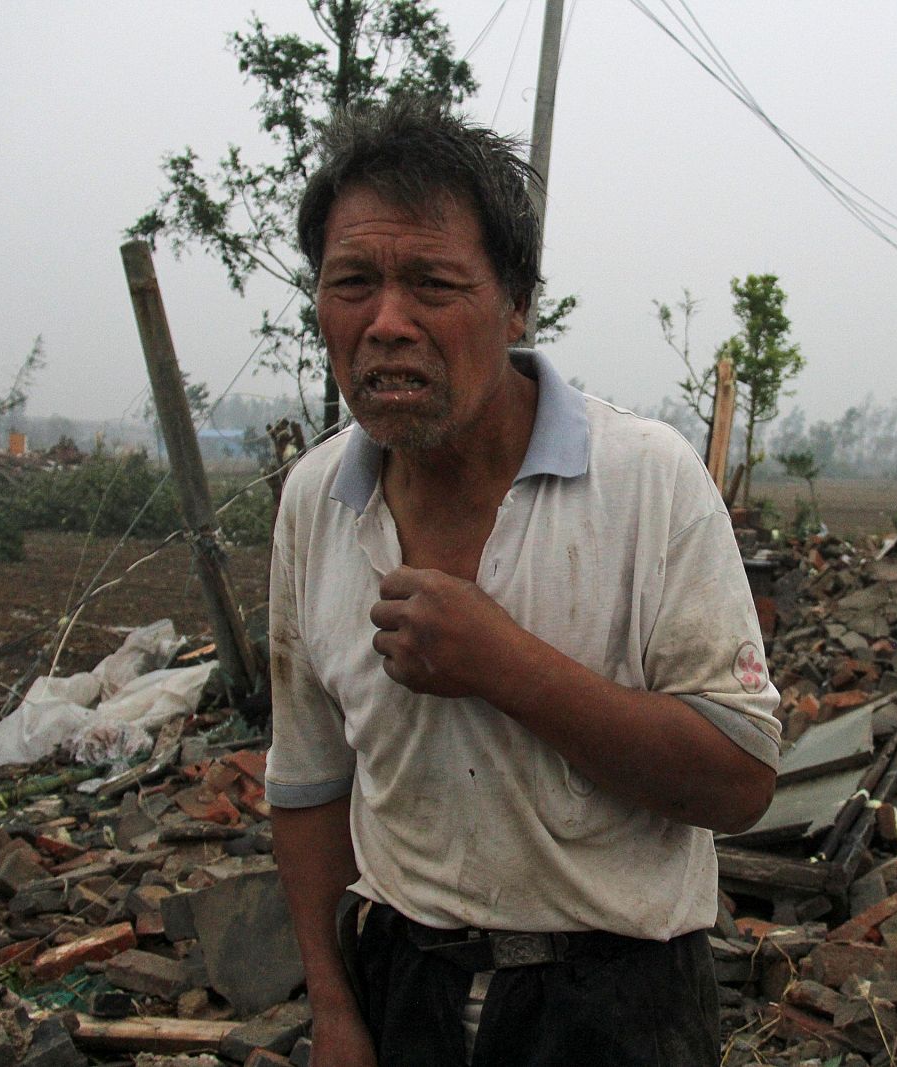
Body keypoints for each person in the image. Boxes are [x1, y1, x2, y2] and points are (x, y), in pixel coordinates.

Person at [265, 98, 781, 1067]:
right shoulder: (315, 500)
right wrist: (334, 1008)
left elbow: (739, 779)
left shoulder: (645, 480)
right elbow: (308, 784)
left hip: (617, 1003)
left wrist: (503, 664)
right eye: (352, 283)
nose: (386, 323)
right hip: (402, 988)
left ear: (515, 305)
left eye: (432, 283)